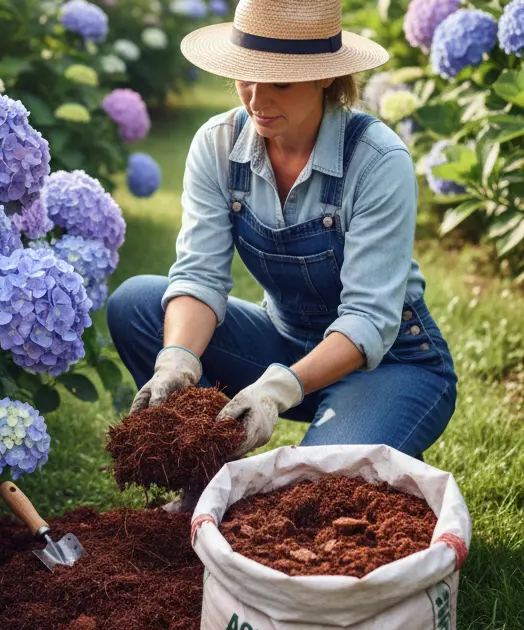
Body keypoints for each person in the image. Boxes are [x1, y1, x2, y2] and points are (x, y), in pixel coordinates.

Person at [106, 0, 458, 486]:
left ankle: (314, 447)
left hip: (390, 364)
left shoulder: (378, 161)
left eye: (280, 82)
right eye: (246, 76)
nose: (256, 99)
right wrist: (178, 361)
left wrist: (275, 390)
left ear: (325, 79)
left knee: (302, 488)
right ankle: (204, 484)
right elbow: (199, 275)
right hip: (285, 340)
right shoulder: (218, 144)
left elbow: (368, 319)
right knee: (137, 303)